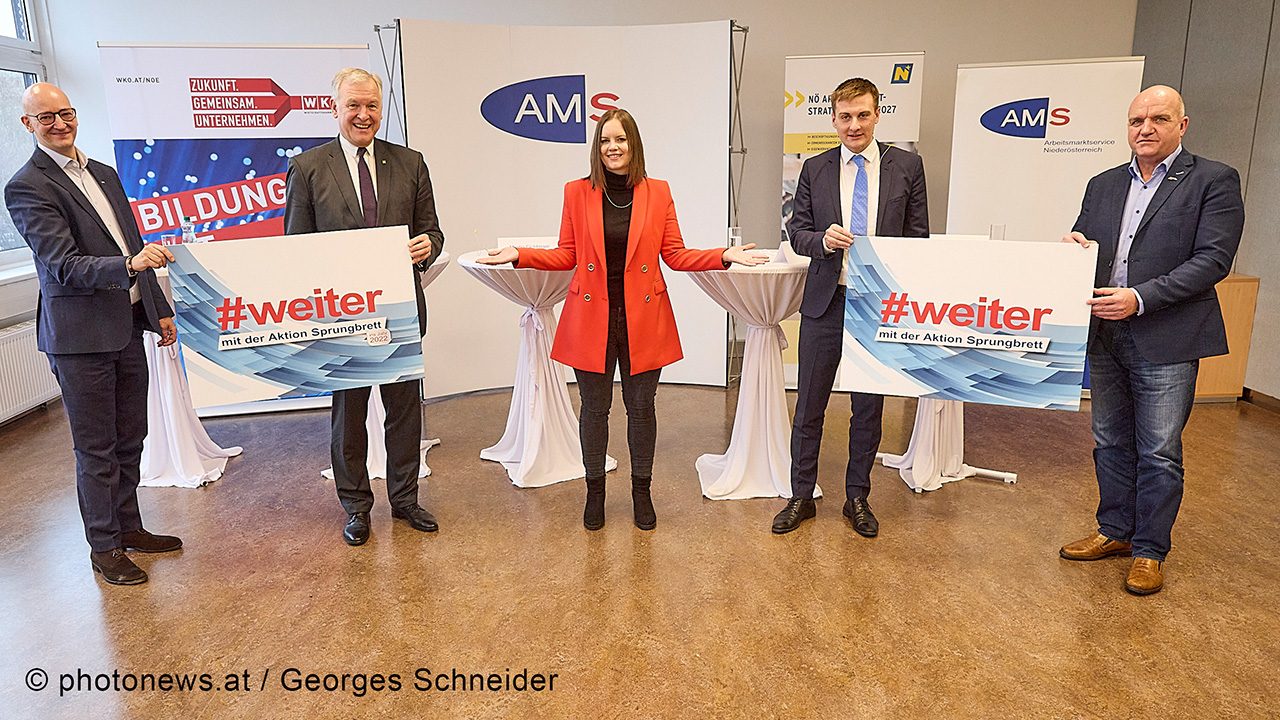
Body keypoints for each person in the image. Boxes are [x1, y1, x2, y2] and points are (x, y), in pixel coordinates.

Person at [478, 108, 765, 531]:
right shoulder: (577, 192)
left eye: (622, 140)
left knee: (641, 409)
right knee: (594, 410)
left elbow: (675, 254)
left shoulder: (659, 192)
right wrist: (520, 253)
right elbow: (567, 254)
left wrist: (723, 255)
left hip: (642, 318)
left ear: (634, 145)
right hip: (590, 316)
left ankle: (641, 493)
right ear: (597, 147)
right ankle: (595, 493)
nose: (613, 147)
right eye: (606, 140)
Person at [1059, 85, 1243, 595]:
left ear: (1182, 125)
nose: (1145, 128)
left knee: (1159, 450)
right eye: (1137, 119)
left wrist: (1139, 298)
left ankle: (1149, 550)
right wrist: (1074, 249)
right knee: (1109, 441)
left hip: (1168, 336)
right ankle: (1115, 531)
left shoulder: (1213, 180)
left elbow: (1212, 261)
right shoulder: (1102, 184)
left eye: (1159, 118)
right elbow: (1087, 240)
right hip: (1106, 333)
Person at [5, 83, 181, 586]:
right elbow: (62, 264)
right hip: (79, 339)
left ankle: (129, 528)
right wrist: (129, 264)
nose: (59, 124)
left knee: (132, 437)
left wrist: (157, 307)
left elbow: (134, 242)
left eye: (66, 113)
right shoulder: (27, 186)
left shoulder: (102, 172)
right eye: (46, 118)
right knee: (97, 448)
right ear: (28, 125)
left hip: (126, 326)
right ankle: (103, 547)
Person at [284, 68, 445, 546]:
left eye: (371, 106)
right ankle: (355, 506)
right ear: (334, 109)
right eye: (353, 105)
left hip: (399, 313)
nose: (363, 115)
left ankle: (405, 499)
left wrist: (427, 247)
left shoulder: (410, 162)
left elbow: (433, 231)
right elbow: (295, 247)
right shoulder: (308, 167)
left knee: (404, 411)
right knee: (348, 415)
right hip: (340, 315)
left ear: (381, 109)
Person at [771, 77, 930, 537]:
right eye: (845, 116)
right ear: (834, 119)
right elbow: (795, 232)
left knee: (868, 408)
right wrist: (820, 240)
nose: (854, 124)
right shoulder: (816, 169)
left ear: (878, 114)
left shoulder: (908, 167)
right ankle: (801, 495)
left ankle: (857, 497)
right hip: (827, 299)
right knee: (809, 406)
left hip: (877, 304)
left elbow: (918, 238)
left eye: (863, 114)